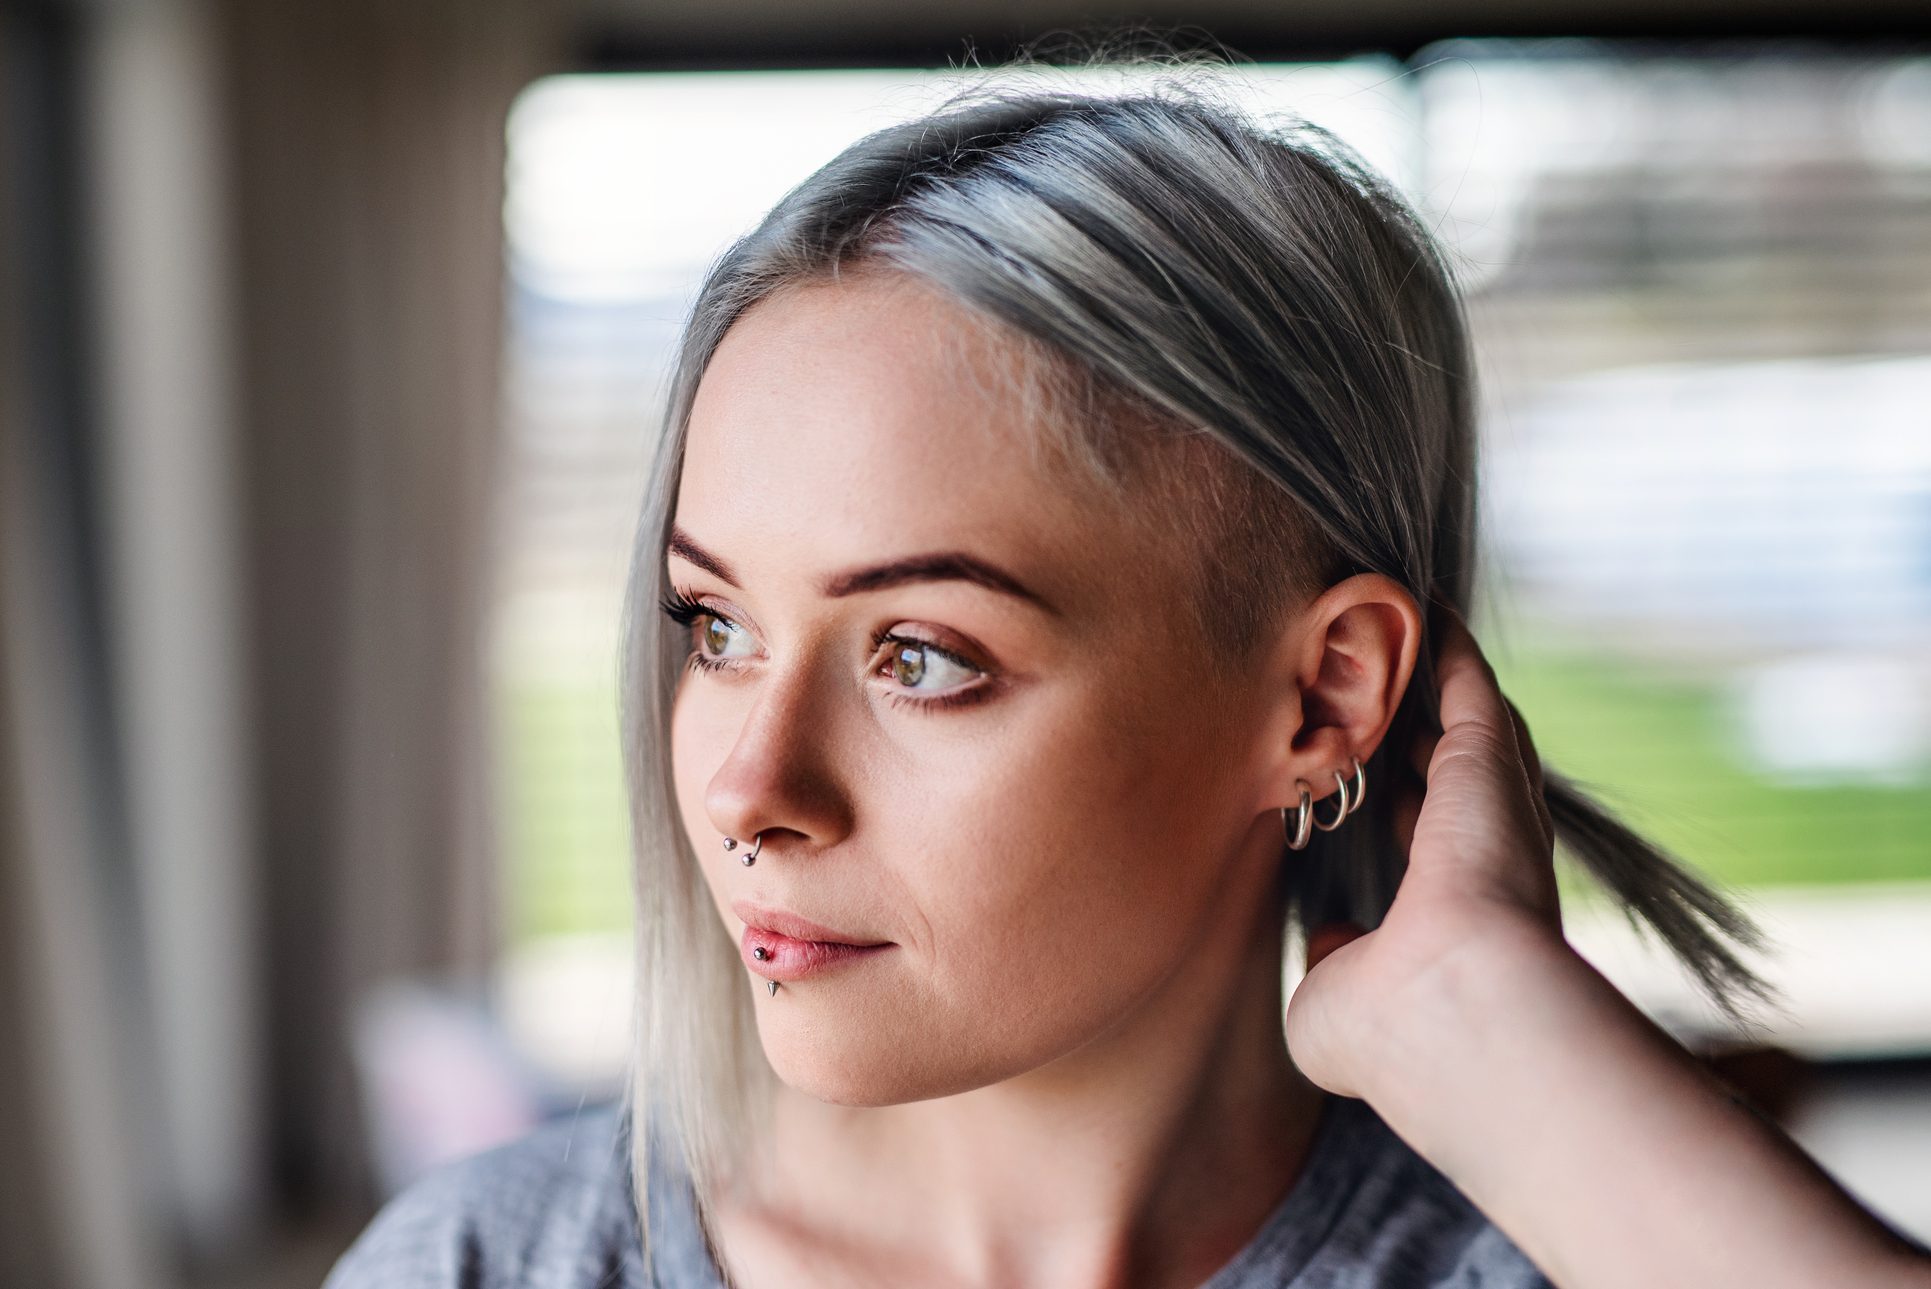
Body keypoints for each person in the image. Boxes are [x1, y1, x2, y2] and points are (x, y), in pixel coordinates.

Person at [324, 70, 1931, 1288]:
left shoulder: (1565, 1248)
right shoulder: (483, 1263)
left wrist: (1480, 1020)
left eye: (922, 654)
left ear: (1321, 703)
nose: (749, 789)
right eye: (715, 627)